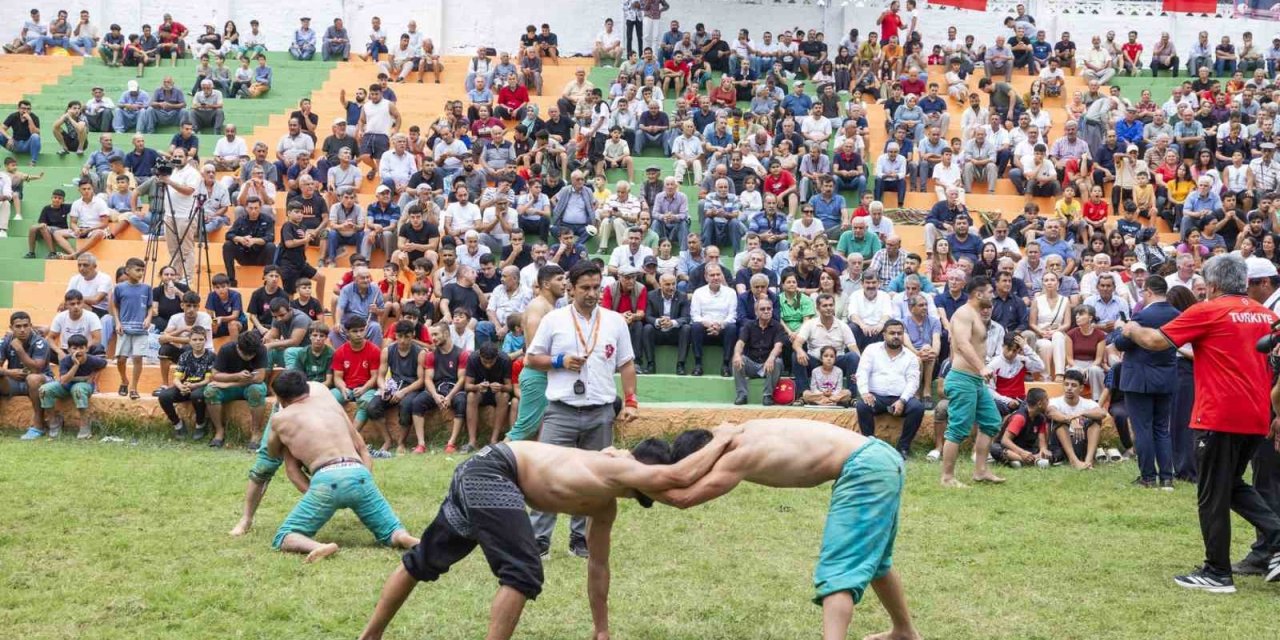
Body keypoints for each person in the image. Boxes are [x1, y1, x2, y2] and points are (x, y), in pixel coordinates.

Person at [356, 429, 733, 640]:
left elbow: (598, 566)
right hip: (497, 471)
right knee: (522, 571)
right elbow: (680, 478)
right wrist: (723, 439)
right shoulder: (620, 466)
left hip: (480, 470)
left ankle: (369, 637)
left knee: (424, 561)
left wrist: (601, 630)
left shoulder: (605, 506)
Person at [645, 420, 919, 640]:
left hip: (865, 467)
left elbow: (682, 498)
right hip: (881, 456)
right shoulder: (736, 430)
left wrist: (630, 480)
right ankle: (904, 631)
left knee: (838, 571)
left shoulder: (735, 457)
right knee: (877, 560)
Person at [1122, 254, 1280, 592]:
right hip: (1257, 415)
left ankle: (1217, 572)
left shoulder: (1208, 310)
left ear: (1212, 285)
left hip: (1218, 414)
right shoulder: (1266, 314)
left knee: (1212, 494)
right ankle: (1275, 535)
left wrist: (1132, 327)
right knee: (1230, 485)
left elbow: (1153, 342)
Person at [229, 370, 418, 562]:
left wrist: (322, 496)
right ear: (307, 388)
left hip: (326, 479)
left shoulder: (280, 418)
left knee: (284, 536)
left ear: (280, 400)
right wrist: (363, 482)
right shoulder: (333, 406)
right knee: (392, 532)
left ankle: (319, 546)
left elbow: (277, 458)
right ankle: (407, 539)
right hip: (359, 473)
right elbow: (363, 449)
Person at [524, 260, 639, 558]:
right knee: (545, 476)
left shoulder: (614, 321)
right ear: (570, 288)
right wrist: (560, 362)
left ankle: (582, 541)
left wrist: (631, 401)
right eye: (585, 288)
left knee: (593, 480)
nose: (591, 294)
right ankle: (538, 542)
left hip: (600, 411)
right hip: (560, 410)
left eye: (596, 288)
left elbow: (626, 363)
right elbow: (532, 359)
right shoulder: (554, 320)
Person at [1112, 275, 1179, 489]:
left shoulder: (1142, 316)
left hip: (1139, 379)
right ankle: (1167, 477)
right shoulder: (1178, 315)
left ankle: (1148, 477)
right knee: (1162, 428)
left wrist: (1121, 328)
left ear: (1148, 292)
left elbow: (1121, 344)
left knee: (1143, 429)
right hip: (1166, 377)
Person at [940, 276, 1005, 488]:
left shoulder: (976, 315)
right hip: (962, 379)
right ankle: (947, 478)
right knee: (958, 429)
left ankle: (980, 471)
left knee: (991, 420)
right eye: (989, 292)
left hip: (975, 381)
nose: (992, 295)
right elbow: (962, 344)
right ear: (978, 294)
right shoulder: (963, 314)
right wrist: (982, 367)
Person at [855, 319, 924, 458]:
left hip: (900, 399)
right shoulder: (871, 350)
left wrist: (903, 400)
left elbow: (913, 382)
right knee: (862, 406)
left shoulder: (911, 357)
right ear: (884, 334)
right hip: (876, 397)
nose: (896, 336)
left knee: (917, 408)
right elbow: (862, 373)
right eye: (892, 333)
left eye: (899, 333)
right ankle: (870, 446)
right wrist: (865, 392)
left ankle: (903, 448)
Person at [204, 331, 268, 449]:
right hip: (231, 387)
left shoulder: (261, 349)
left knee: (257, 390)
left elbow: (259, 378)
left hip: (249, 386)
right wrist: (237, 376)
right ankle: (219, 431)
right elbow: (215, 375)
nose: (249, 357)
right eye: (245, 354)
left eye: (252, 354)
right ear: (238, 346)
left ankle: (255, 432)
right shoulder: (226, 349)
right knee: (210, 391)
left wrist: (231, 384)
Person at [109, 258, 152, 401]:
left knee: (138, 358)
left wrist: (148, 318)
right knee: (121, 359)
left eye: (142, 270)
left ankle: (133, 387)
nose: (140, 273)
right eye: (137, 270)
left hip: (141, 329)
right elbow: (115, 305)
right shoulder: (119, 288)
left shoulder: (147, 288)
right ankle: (124, 380)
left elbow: (150, 306)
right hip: (125, 328)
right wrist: (117, 322)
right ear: (128, 271)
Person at [732, 296, 784, 405]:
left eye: (769, 309)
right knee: (737, 359)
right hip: (752, 365)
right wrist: (737, 354)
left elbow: (778, 346)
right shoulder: (749, 325)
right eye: (762, 309)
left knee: (777, 361)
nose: (766, 311)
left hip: (769, 366)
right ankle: (742, 394)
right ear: (756, 312)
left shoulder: (778, 327)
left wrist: (771, 358)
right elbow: (740, 343)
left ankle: (767, 395)